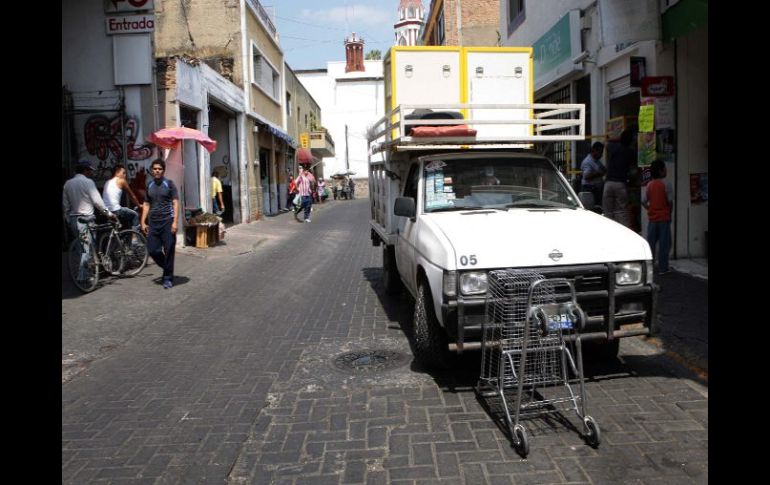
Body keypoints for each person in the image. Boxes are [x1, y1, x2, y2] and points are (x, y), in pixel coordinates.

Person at [63, 160, 117, 283]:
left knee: (80, 247)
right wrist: (108, 214)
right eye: (90, 171)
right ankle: (83, 276)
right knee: (87, 248)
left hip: (73, 219)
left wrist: (67, 218)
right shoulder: (88, 182)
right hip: (86, 219)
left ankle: (89, 270)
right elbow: (97, 201)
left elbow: (65, 205)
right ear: (85, 170)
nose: (91, 173)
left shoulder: (67, 184)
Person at [141, 159, 180, 289]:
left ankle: (168, 277)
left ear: (163, 170)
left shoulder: (169, 184)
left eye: (160, 169)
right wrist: (143, 221)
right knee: (153, 250)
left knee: (169, 250)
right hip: (153, 223)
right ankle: (167, 268)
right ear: (152, 170)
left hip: (167, 221)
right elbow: (146, 204)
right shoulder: (149, 185)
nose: (157, 171)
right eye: (155, 169)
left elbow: (175, 202)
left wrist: (174, 222)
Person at [642, 159, 673, 274]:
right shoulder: (666, 184)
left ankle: (649, 268)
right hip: (664, 218)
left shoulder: (649, 185)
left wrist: (649, 208)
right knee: (665, 244)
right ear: (661, 171)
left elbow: (643, 201)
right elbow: (670, 201)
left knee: (651, 244)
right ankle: (663, 268)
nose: (666, 170)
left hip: (652, 219)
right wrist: (670, 213)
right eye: (664, 168)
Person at [603, 129, 634, 227]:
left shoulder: (614, 147)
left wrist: (617, 139)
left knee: (608, 212)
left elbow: (606, 143)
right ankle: (625, 232)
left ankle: (609, 232)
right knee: (622, 212)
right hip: (621, 184)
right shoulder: (630, 152)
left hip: (608, 184)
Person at [102, 164, 142, 230]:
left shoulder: (107, 182)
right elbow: (132, 196)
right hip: (116, 210)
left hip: (106, 211)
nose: (125, 175)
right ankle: (135, 238)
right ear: (117, 172)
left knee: (117, 228)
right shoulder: (121, 181)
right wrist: (138, 205)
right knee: (135, 215)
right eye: (123, 173)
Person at [580, 142, 606, 207]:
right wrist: (599, 174)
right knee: (592, 208)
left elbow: (603, 169)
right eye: (600, 152)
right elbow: (587, 176)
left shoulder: (596, 161)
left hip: (596, 189)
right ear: (594, 150)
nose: (601, 155)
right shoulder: (588, 162)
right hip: (589, 189)